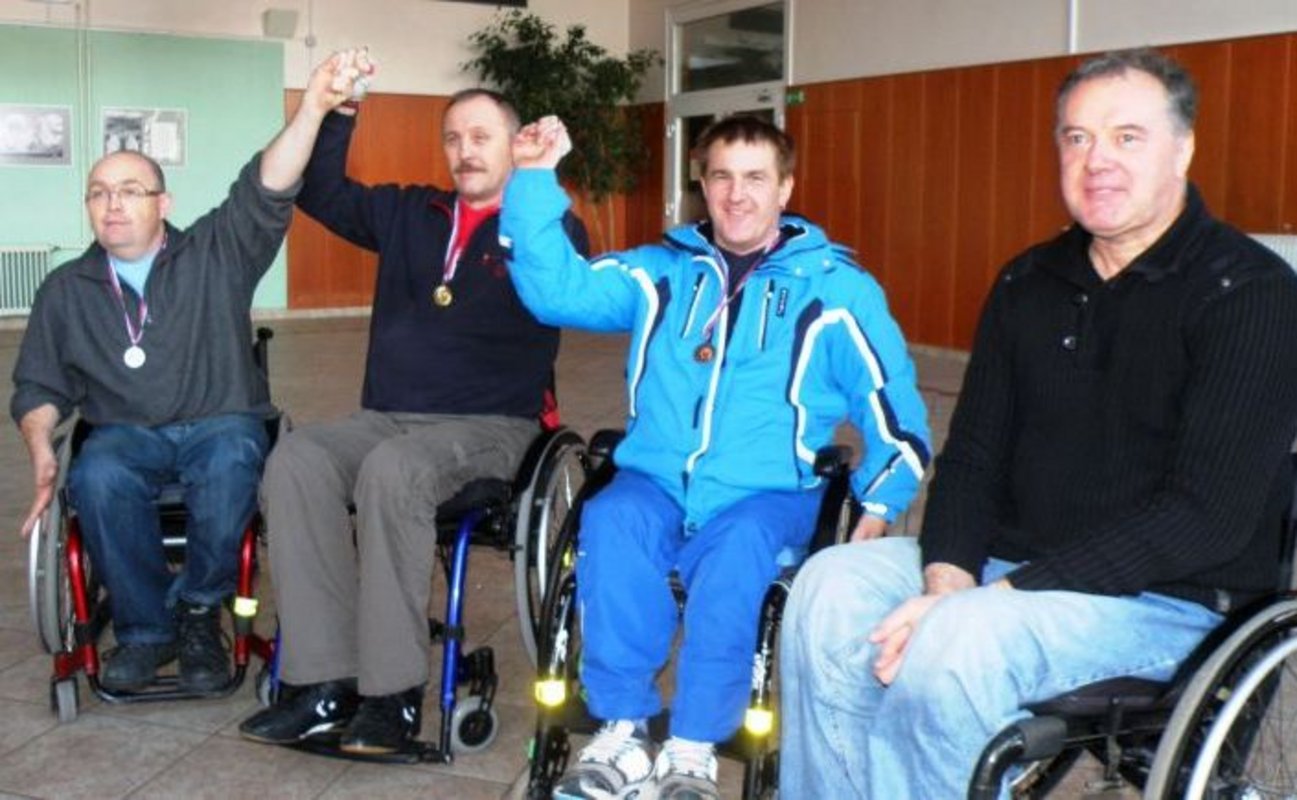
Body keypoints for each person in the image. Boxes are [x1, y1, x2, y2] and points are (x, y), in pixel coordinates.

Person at [778, 48, 1297, 799]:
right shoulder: (1028, 280)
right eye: (1076, 137)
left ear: (1182, 148)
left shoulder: (1248, 293)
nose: (1096, 160)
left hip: (1167, 603)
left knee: (958, 640)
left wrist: (993, 599)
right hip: (1010, 572)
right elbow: (974, 457)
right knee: (827, 586)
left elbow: (1205, 518)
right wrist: (949, 575)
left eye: (1126, 137)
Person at [504, 113, 931, 799]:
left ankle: (694, 744)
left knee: (737, 552)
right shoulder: (662, 273)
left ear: (784, 188)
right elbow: (555, 292)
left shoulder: (836, 289)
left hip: (769, 492)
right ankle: (622, 731)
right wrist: (531, 178)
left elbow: (893, 407)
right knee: (610, 521)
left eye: (755, 178)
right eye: (722, 177)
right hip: (657, 480)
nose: (737, 194)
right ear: (702, 185)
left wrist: (880, 502)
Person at [237, 49, 588, 754]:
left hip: (494, 425)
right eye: (453, 138)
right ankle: (323, 680)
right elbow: (320, 191)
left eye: (482, 136)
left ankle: (392, 696)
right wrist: (339, 111)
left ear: (514, 144)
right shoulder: (409, 212)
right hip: (388, 417)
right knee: (297, 460)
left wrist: (536, 180)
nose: (465, 150)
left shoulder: (545, 225)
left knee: (394, 471)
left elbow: (560, 268)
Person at [9, 53, 327, 693]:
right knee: (96, 474)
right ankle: (146, 630)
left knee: (233, 456)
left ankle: (199, 610)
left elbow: (266, 186)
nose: (112, 204)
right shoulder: (66, 289)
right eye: (99, 193)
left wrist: (315, 104)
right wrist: (40, 443)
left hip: (218, 421)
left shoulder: (215, 253)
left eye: (130, 190)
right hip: (125, 432)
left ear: (164, 202)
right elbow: (40, 384)